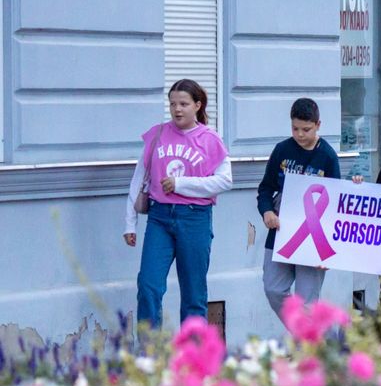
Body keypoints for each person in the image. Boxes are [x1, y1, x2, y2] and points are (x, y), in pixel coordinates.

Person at [124, 79, 231, 329]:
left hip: (194, 218)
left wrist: (182, 184)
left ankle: (192, 358)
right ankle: (150, 355)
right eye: (172, 104)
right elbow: (139, 177)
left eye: (183, 104)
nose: (177, 109)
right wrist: (130, 222)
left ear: (197, 105)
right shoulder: (158, 134)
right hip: (160, 217)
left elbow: (225, 181)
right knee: (148, 285)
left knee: (194, 294)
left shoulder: (209, 139)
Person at [257, 97, 342, 321]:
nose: (300, 135)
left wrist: (329, 251)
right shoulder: (282, 150)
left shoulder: (328, 156)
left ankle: (311, 348)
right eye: (295, 129)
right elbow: (265, 188)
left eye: (306, 129)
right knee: (273, 288)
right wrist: (267, 211)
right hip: (281, 230)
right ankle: (316, 339)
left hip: (314, 237)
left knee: (306, 302)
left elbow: (335, 204)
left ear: (318, 125)